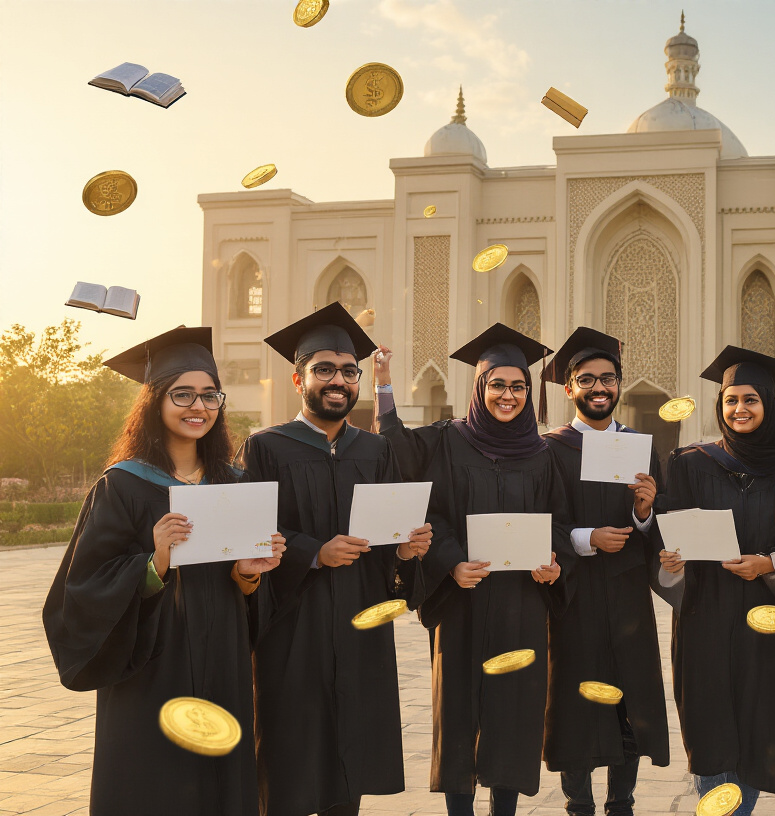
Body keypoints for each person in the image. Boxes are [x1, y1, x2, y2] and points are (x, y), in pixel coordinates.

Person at [43, 326, 285, 816]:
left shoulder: (233, 483)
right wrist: (153, 562)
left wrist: (249, 573)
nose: (198, 407)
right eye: (183, 395)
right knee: (154, 784)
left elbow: (245, 592)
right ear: (156, 401)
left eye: (209, 395)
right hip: (151, 661)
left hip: (222, 657)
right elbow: (82, 586)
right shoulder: (125, 485)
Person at [374, 323, 573, 816]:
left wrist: (554, 565)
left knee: (515, 712)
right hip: (461, 600)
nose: (509, 395)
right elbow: (403, 466)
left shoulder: (542, 454)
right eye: (498, 384)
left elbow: (560, 521)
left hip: (522, 603)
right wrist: (449, 563)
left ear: (529, 393)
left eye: (519, 386)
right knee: (458, 712)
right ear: (479, 388)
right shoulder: (446, 441)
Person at [240, 303, 431, 816]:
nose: (339, 381)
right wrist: (314, 552)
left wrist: (406, 549)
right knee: (290, 755)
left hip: (359, 618)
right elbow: (249, 530)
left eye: (349, 371)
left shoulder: (374, 451)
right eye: (324, 369)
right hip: (293, 623)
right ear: (297, 377)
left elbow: (390, 534)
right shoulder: (266, 446)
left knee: (351, 753)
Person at [656, 346, 775, 816]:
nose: (739, 409)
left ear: (768, 405)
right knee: (709, 725)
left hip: (767, 620)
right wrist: (669, 561)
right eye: (731, 400)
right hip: (704, 616)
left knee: (758, 725)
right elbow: (667, 529)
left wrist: (768, 561)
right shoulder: (690, 462)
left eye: (750, 400)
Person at [538, 327, 670, 816]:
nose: (599, 388)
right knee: (576, 702)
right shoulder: (549, 450)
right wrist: (586, 538)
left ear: (619, 385)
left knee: (627, 699)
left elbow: (656, 524)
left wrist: (643, 511)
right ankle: (579, 806)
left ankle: (622, 804)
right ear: (569, 388)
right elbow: (542, 518)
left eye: (608, 379)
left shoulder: (640, 445)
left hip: (628, 594)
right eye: (587, 380)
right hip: (573, 596)